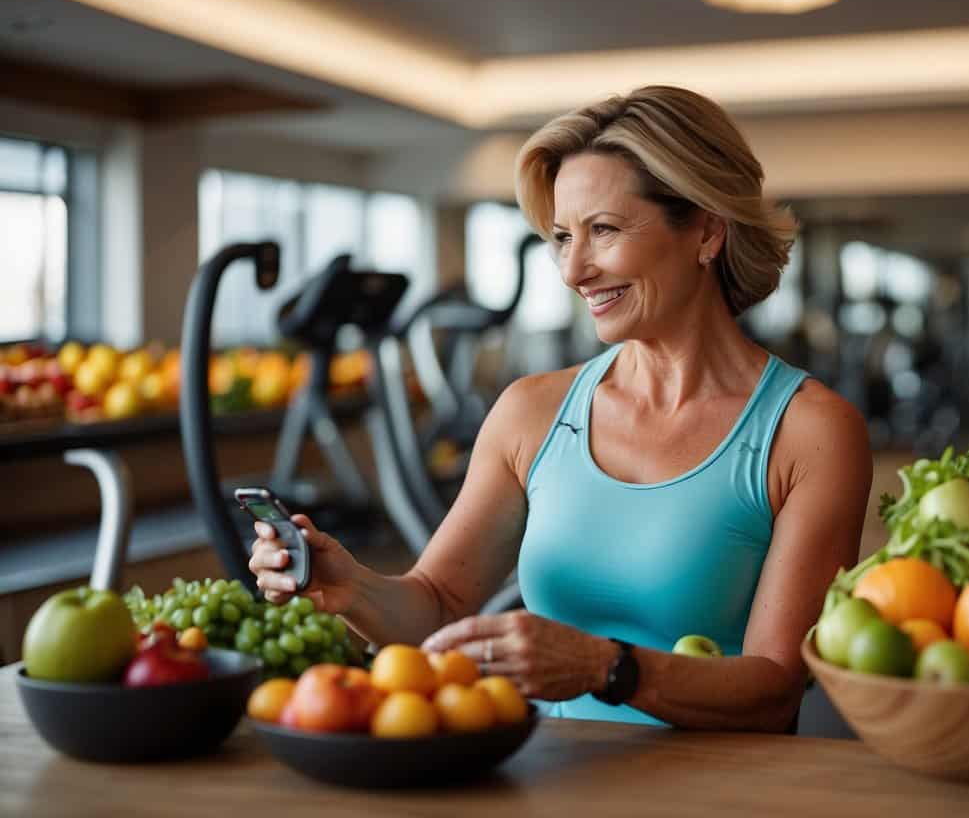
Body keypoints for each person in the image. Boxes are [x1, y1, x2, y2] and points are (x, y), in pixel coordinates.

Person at [250, 85, 872, 732]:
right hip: (545, 780)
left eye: (603, 230)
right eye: (560, 237)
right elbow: (439, 606)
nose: (574, 271)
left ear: (707, 231)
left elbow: (775, 685)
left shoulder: (809, 432)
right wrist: (352, 588)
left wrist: (603, 667)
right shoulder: (531, 413)